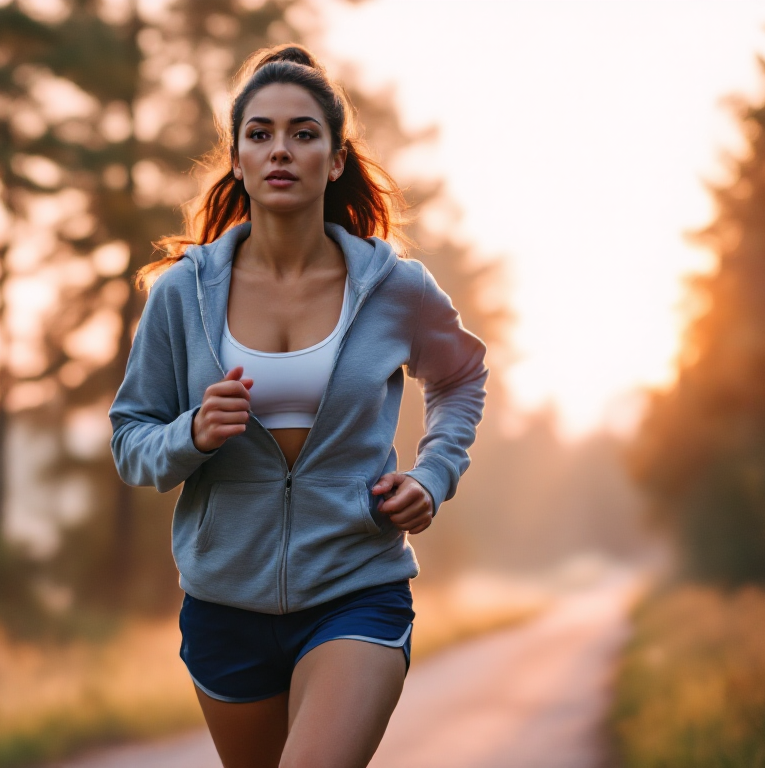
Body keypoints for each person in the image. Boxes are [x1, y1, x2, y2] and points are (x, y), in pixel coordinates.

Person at [108, 44, 488, 768]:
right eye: (261, 134)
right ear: (238, 157)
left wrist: (433, 475)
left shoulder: (394, 287)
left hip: (356, 585)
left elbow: (461, 376)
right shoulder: (180, 296)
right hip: (225, 601)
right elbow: (132, 441)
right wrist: (191, 433)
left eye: (303, 133)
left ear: (335, 160)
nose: (281, 149)